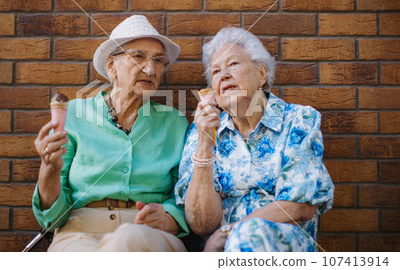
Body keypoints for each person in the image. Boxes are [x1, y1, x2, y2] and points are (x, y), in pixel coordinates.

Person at [33, 15, 189, 251]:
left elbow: (186, 196)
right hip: (79, 233)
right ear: (111, 66)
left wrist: (169, 218)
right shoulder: (74, 115)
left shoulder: (174, 123)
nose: (151, 68)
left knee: (125, 241)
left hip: (148, 235)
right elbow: (52, 219)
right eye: (138, 56)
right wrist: (49, 168)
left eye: (159, 60)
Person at [174, 27, 334, 252]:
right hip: (223, 252)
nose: (224, 75)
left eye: (233, 64)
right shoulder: (202, 130)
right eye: (216, 71)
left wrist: (229, 232)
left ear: (261, 74)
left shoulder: (298, 120)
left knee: (250, 234)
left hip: (282, 248)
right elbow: (201, 223)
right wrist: (204, 143)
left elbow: (300, 205)